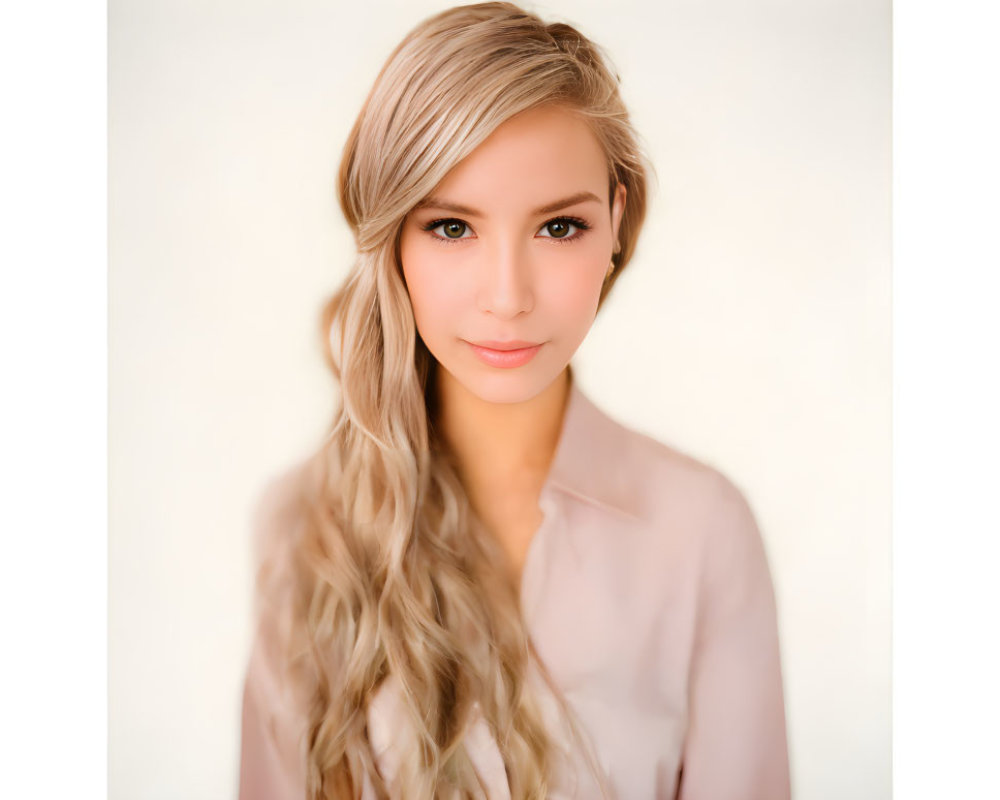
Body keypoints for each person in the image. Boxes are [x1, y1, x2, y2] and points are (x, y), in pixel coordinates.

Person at [237, 3, 791, 798]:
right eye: (452, 227)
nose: (507, 297)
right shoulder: (301, 527)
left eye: (559, 227)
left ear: (616, 224)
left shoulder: (701, 532)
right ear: (392, 237)